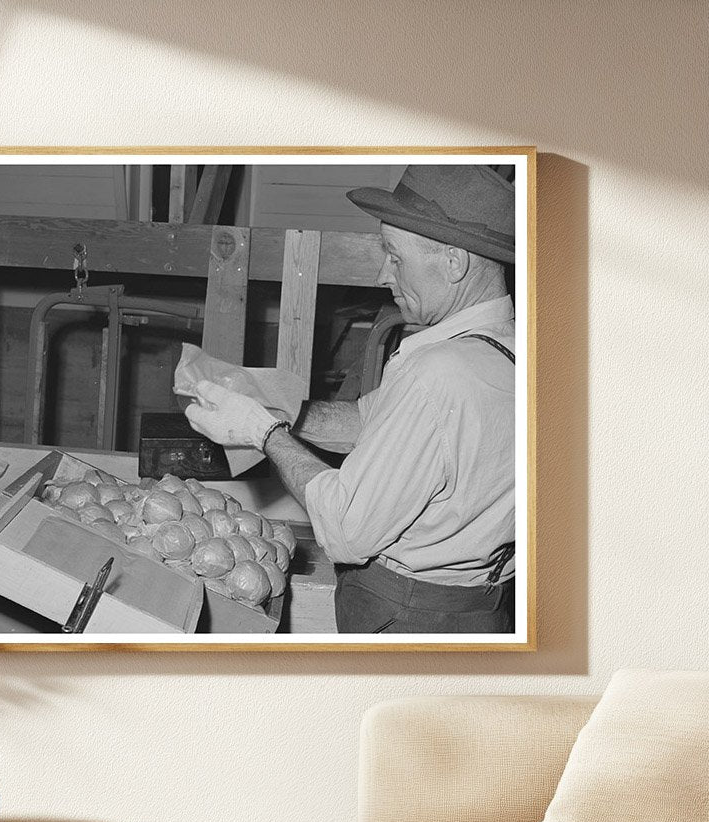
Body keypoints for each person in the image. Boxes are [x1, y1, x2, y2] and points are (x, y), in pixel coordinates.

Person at [185, 164, 517, 634]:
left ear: (454, 262)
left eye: (395, 257)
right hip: (484, 608)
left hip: (411, 613)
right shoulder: (512, 349)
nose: (383, 274)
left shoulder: (440, 374)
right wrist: (276, 406)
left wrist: (263, 433)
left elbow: (343, 530)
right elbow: (371, 422)